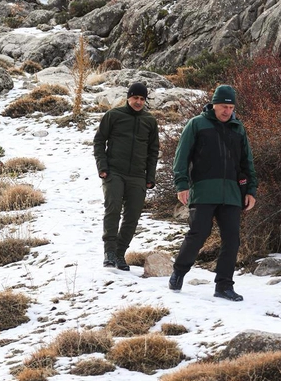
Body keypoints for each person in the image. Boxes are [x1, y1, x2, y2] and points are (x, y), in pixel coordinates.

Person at [169, 84, 257, 301]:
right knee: (198, 234)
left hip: (232, 193)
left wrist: (250, 191)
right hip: (204, 191)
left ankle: (224, 286)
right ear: (214, 104)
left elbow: (247, 162)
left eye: (231, 107)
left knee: (232, 239)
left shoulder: (238, 128)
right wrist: (182, 185)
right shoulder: (197, 124)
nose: (227, 111)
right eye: (224, 106)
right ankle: (179, 271)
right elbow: (181, 157)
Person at [93, 81, 159, 271]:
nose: (138, 102)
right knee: (113, 209)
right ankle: (109, 252)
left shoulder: (149, 121)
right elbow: (99, 141)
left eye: (142, 99)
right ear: (128, 97)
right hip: (114, 172)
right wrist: (103, 167)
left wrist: (150, 176)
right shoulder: (114, 115)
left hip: (138, 176)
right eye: (135, 98)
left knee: (132, 216)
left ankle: (120, 253)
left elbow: (153, 151)